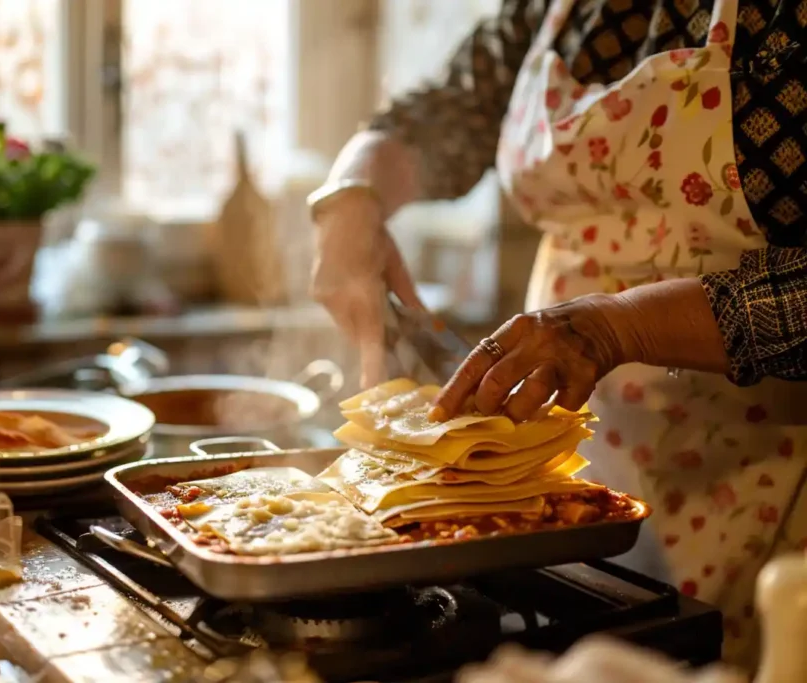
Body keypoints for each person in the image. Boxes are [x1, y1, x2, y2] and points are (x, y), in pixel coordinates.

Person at [308, 0, 807, 669]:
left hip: (764, 487)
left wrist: (618, 325)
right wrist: (350, 196)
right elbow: (450, 108)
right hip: (552, 474)